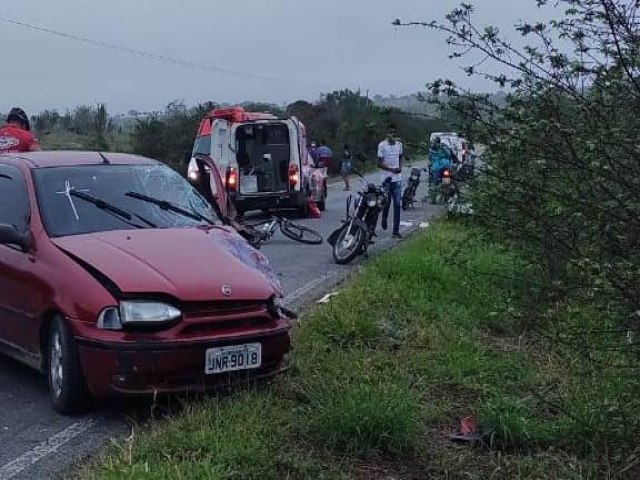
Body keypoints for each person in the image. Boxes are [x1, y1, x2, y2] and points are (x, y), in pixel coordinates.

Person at [378, 125, 403, 238]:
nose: (391, 135)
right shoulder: (382, 145)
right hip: (386, 179)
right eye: (390, 133)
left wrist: (400, 167)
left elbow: (400, 157)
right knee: (386, 202)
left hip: (397, 179)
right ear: (387, 134)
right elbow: (379, 163)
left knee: (397, 204)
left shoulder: (399, 145)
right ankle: (384, 218)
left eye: (393, 133)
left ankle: (396, 231)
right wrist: (391, 169)